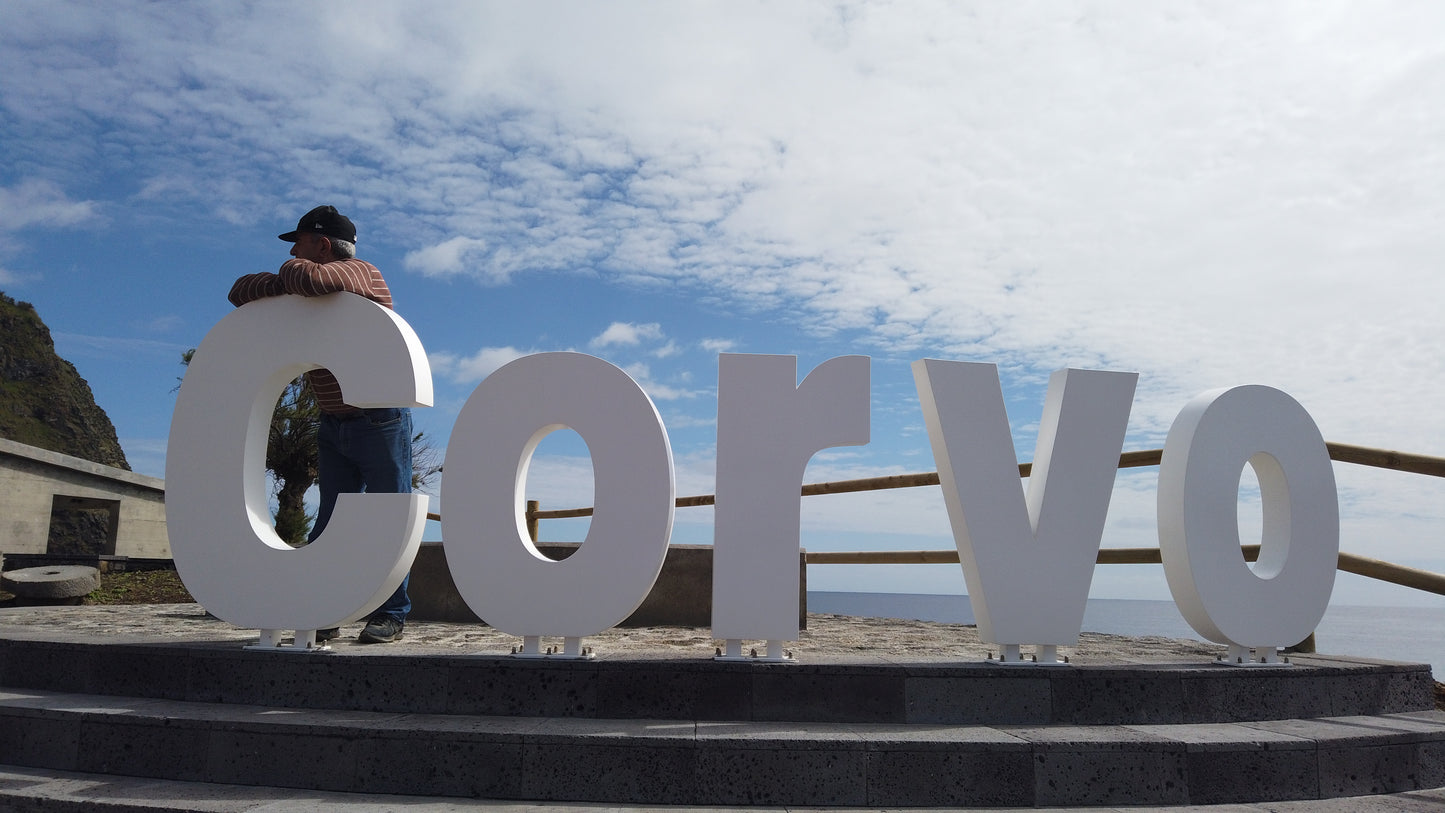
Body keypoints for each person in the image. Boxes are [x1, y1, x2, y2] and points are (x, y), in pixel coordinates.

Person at [227, 205, 413, 644]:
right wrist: (286, 281)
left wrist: (290, 278)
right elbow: (238, 291)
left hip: (379, 420)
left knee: (391, 518)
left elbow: (308, 278)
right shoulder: (311, 290)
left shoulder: (363, 274)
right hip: (333, 423)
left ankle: (392, 614)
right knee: (329, 520)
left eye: (300, 242)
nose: (292, 250)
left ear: (323, 244)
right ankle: (326, 607)